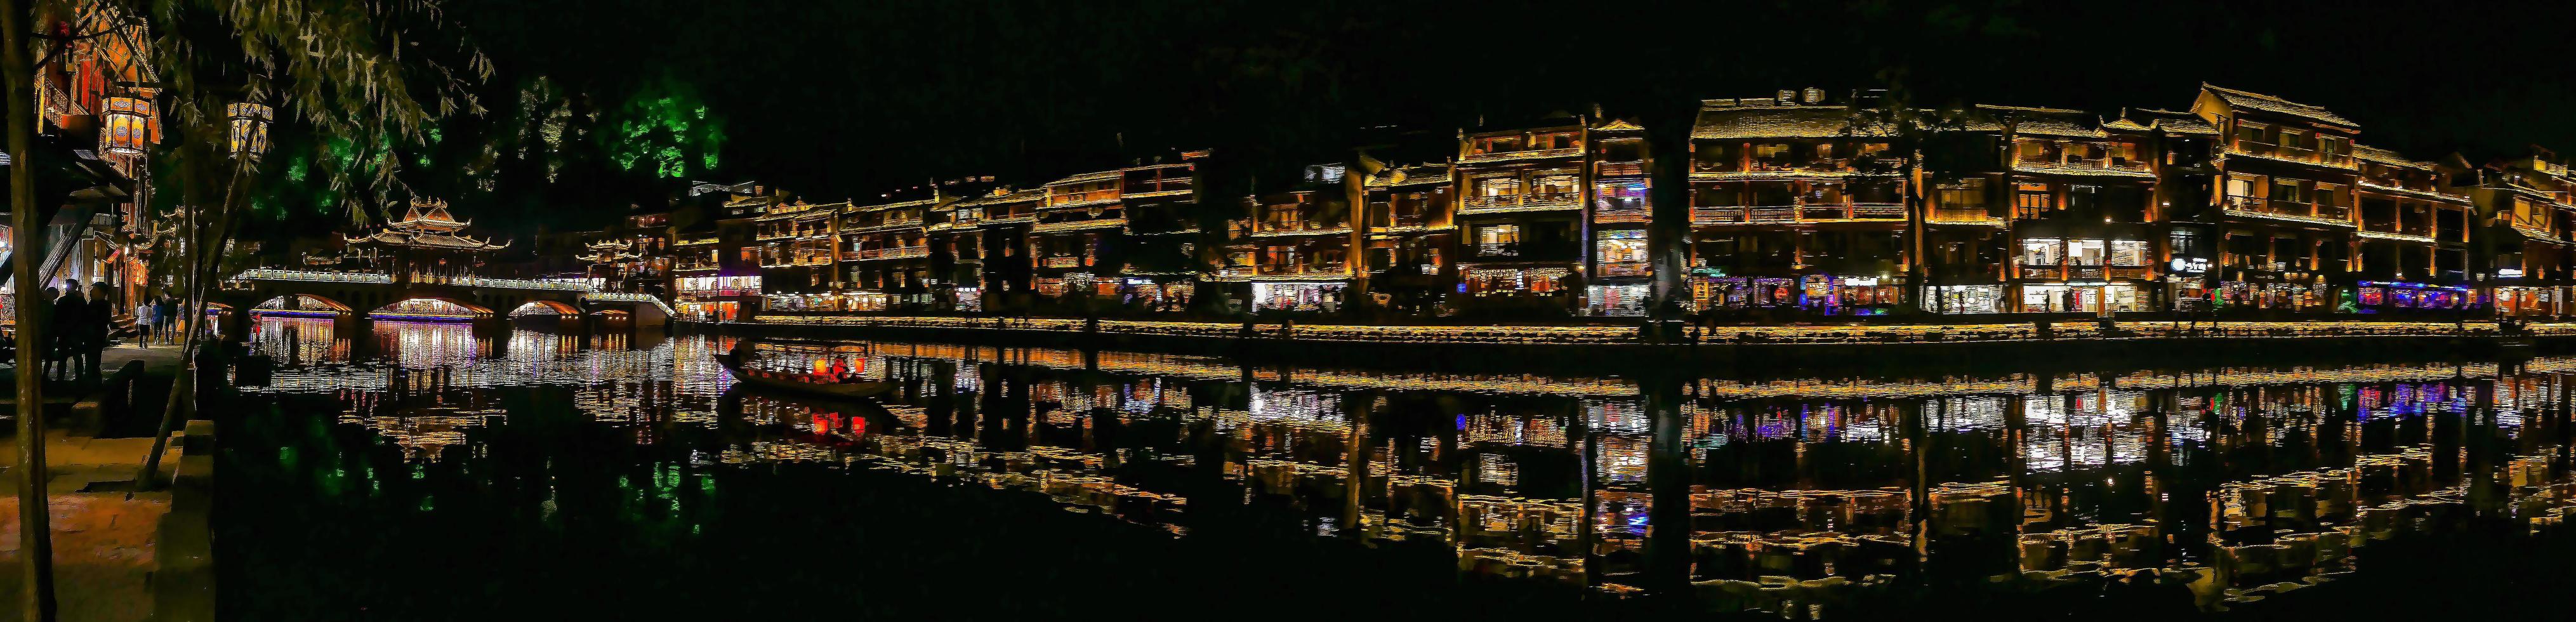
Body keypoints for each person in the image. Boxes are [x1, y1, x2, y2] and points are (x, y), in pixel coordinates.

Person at [50, 283, 87, 383]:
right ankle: (71, 377)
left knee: (72, 356)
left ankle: (67, 377)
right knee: (70, 356)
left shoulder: (67, 300)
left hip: (69, 332)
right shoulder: (68, 300)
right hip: (70, 332)